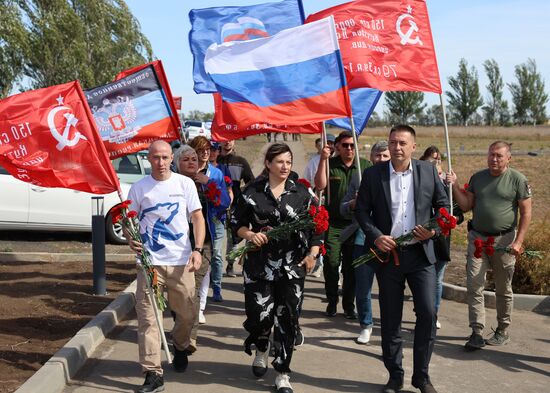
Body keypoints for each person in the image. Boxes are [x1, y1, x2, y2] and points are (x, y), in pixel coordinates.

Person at [355, 125, 449, 393]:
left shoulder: (428, 172)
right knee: (391, 317)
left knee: (428, 313)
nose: (397, 147)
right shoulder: (374, 175)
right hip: (389, 257)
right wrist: (375, 236)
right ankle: (395, 375)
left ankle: (422, 376)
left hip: (421, 255)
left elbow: (444, 208)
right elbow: (362, 211)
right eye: (393, 142)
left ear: (413, 147)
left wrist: (433, 230)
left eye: (402, 143)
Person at [231, 143, 322, 393]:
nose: (285, 166)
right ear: (268, 164)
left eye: (289, 162)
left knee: (288, 318)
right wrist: (249, 235)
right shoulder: (252, 192)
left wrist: (313, 254)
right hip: (260, 265)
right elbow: (235, 222)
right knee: (261, 315)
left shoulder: (302, 193)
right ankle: (261, 347)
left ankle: (282, 372)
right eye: (280, 161)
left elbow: (317, 226)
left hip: (292, 267)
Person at [125, 140, 205, 393]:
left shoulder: (185, 184)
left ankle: (180, 346)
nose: (160, 162)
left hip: (181, 262)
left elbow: (197, 217)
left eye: (165, 157)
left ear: (172, 158)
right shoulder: (139, 188)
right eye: (156, 157)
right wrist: (131, 240)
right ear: (148, 158)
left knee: (187, 315)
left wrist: (198, 249)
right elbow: (130, 221)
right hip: (149, 264)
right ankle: (152, 372)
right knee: (149, 319)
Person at [447, 141, 532, 350]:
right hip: (477, 239)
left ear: (508, 158)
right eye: (491, 155)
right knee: (474, 284)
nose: (494, 159)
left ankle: (502, 329)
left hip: (504, 242)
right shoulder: (478, 178)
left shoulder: (518, 180)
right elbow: (467, 205)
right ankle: (476, 331)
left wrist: (518, 242)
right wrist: (455, 185)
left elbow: (526, 212)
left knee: (503, 288)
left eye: (499, 156)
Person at [174, 143, 230, 354]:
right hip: (175, 245)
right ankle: (181, 328)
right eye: (186, 159)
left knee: (194, 290)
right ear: (177, 162)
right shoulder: (171, 183)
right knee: (178, 293)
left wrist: (211, 184)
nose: (191, 162)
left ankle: (191, 336)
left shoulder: (210, 179)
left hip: (202, 242)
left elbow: (224, 204)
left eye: (194, 159)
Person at [315, 131, 371, 318]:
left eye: (352, 145)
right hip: (335, 223)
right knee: (331, 263)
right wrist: (323, 160)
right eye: (345, 145)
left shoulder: (365, 166)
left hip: (357, 223)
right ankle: (332, 300)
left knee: (352, 266)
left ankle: (349, 305)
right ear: (337, 146)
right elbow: (320, 186)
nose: (349, 148)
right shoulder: (330, 164)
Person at [340, 141, 390, 344]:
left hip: (389, 243)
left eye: (385, 156)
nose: (381, 160)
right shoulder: (359, 178)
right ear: (371, 158)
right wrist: (355, 203)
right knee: (363, 289)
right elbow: (343, 207)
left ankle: (388, 327)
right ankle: (366, 325)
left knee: (389, 291)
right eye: (377, 156)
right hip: (363, 241)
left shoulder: (399, 179)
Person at [419, 146, 464, 329]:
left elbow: (459, 213)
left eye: (439, 161)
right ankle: (421, 313)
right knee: (421, 281)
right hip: (420, 238)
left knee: (437, 280)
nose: (436, 164)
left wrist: (454, 218)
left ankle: (433, 314)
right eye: (432, 160)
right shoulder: (417, 182)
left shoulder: (447, 186)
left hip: (441, 240)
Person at [218, 139, 254, 277]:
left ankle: (230, 265)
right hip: (216, 204)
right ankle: (213, 267)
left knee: (233, 237)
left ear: (234, 142)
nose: (227, 142)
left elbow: (251, 181)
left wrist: (241, 192)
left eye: (230, 140)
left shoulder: (240, 161)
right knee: (215, 237)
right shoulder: (215, 159)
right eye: (224, 140)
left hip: (235, 205)